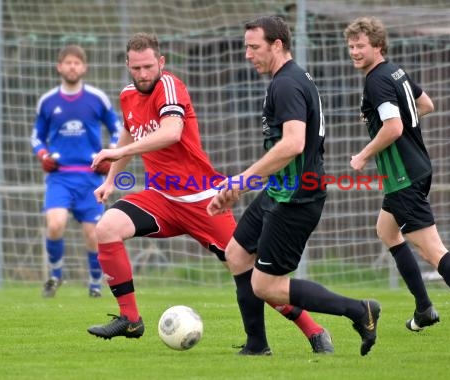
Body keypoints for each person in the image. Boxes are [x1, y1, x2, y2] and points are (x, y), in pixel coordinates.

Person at [86, 32, 334, 354]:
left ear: (161, 62)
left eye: (149, 66)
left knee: (249, 272)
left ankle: (314, 331)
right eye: (136, 68)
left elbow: (172, 132)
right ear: (128, 66)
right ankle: (130, 319)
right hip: (160, 198)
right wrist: (111, 180)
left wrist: (116, 154)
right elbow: (128, 133)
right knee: (106, 229)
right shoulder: (128, 95)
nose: (143, 74)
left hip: (202, 201)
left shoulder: (170, 87)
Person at [207, 16, 380, 356]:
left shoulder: (285, 84)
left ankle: (360, 310)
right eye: (246, 46)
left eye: (254, 47)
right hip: (280, 190)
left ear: (277, 45)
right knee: (237, 254)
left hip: (296, 197)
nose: (247, 54)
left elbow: (293, 144)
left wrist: (241, 181)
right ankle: (257, 345)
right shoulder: (289, 79)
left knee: (266, 285)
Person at [344, 17, 450, 337]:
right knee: (387, 231)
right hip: (415, 168)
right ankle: (423, 309)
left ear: (378, 45)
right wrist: (399, 124)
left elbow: (393, 127)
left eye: (361, 46)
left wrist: (363, 154)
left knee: (432, 250)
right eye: (351, 47)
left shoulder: (376, 80)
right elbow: (426, 104)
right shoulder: (396, 71)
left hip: (403, 176)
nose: (354, 52)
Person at [31, 44, 121, 298]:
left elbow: (117, 128)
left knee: (93, 234)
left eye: (77, 63)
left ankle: (94, 283)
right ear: (59, 67)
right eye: (67, 62)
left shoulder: (97, 99)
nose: (72, 67)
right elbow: (36, 136)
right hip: (59, 176)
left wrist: (111, 152)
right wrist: (43, 155)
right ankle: (55, 275)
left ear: (84, 67)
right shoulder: (48, 101)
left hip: (91, 176)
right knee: (55, 224)